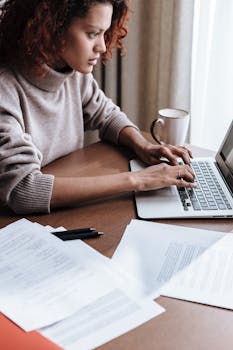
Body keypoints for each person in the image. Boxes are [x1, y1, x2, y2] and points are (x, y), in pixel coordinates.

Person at [0, 0, 196, 215]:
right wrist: (137, 180)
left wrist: (143, 145)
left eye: (104, 33)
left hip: (61, 211)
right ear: (51, 27)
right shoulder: (5, 88)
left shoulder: (72, 73)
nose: (102, 47)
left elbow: (107, 115)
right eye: (93, 33)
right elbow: (24, 189)